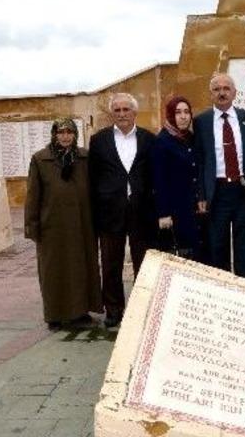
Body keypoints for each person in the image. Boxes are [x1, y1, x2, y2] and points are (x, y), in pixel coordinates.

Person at [25, 118, 102, 330]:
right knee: (53, 270)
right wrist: (32, 225)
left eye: (69, 132)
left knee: (81, 267)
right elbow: (33, 195)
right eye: (61, 132)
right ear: (54, 134)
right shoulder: (41, 159)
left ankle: (80, 312)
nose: (65, 136)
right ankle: (55, 314)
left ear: (75, 134)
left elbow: (95, 189)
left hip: (82, 224)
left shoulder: (84, 158)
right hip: (53, 226)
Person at [89, 93, 157, 328]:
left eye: (126, 109)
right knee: (110, 264)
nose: (122, 114)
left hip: (142, 210)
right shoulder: (99, 140)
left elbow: (154, 175)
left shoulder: (149, 139)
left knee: (143, 263)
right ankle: (114, 310)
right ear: (112, 114)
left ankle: (142, 309)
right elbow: (93, 177)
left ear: (134, 112)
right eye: (117, 110)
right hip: (110, 211)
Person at [193, 73, 245, 277]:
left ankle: (244, 286)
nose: (222, 93)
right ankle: (223, 288)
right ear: (210, 94)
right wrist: (201, 194)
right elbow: (199, 161)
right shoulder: (201, 122)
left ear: (234, 93)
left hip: (244, 191)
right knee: (217, 245)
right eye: (217, 89)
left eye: (226, 88)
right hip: (217, 192)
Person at [151, 96, 203, 261]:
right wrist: (163, 213)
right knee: (180, 258)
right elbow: (159, 180)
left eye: (187, 112)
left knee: (196, 256)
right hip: (174, 212)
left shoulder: (190, 138)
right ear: (170, 115)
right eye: (178, 112)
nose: (183, 116)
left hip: (193, 208)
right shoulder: (162, 142)